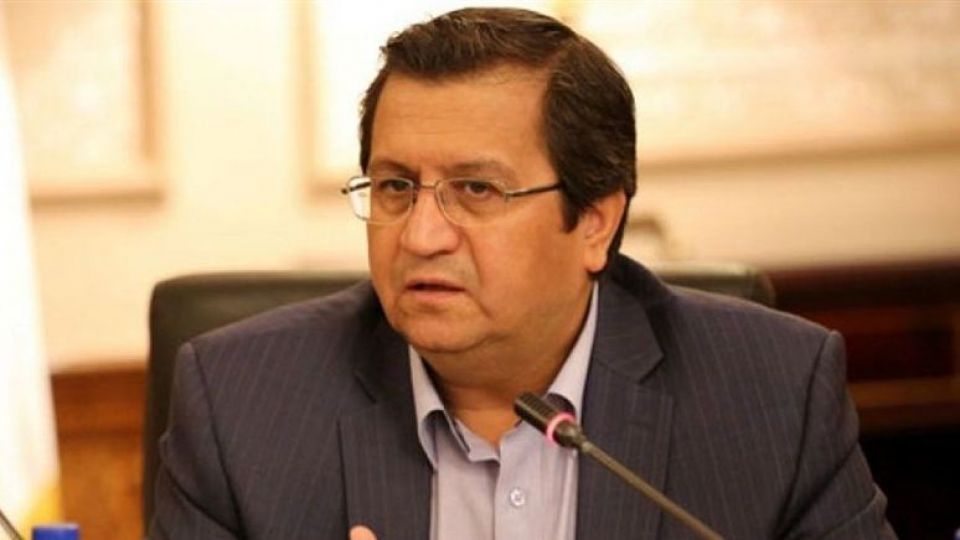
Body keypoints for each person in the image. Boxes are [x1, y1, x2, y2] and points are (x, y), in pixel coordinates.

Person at [149, 7, 895, 539]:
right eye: (396, 186)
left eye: (477, 190)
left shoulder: (771, 394)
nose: (422, 236)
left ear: (595, 220)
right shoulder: (242, 405)